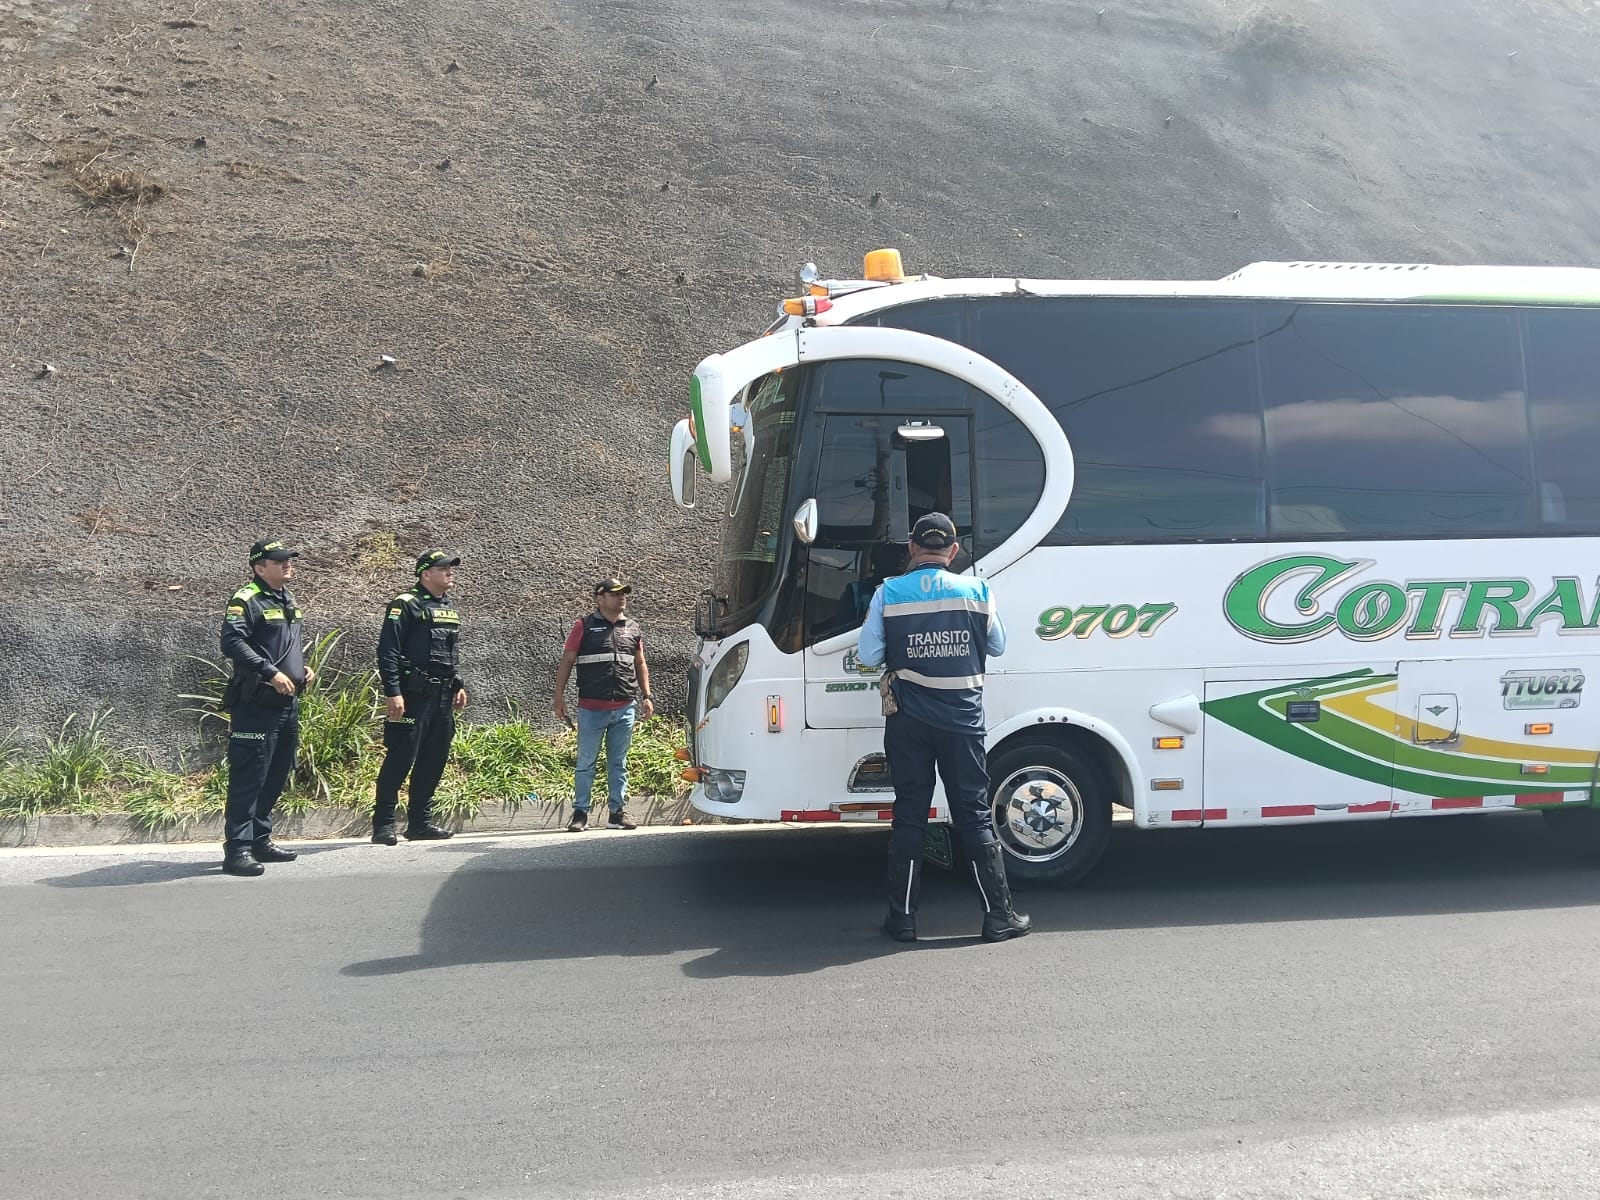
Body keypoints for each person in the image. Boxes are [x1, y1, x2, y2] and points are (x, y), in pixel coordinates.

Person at [857, 513, 1030, 943]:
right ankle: (998, 917)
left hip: (908, 723)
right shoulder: (977, 590)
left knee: (910, 814)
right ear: (953, 552)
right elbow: (998, 645)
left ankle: (903, 919)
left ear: (912, 548)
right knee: (972, 815)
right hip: (962, 723)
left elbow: (867, 654)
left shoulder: (889, 593)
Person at [219, 537, 314, 877]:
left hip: (287, 703)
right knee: (249, 775)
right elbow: (231, 642)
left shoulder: (286, 598)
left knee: (277, 771)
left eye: (289, 559)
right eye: (279, 561)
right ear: (260, 568)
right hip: (257, 702)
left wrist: (300, 668)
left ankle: (260, 839)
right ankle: (238, 850)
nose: (288, 564)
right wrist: (271, 672)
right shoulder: (247, 598)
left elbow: (283, 644)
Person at [373, 549, 468, 844]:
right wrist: (393, 692)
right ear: (425, 574)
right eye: (443, 568)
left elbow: (445, 654)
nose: (450, 572)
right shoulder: (406, 604)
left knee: (433, 759)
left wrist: (457, 684)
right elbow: (388, 650)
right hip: (412, 696)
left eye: (451, 567)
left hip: (442, 696)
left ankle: (420, 823)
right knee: (400, 757)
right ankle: (383, 825)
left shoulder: (448, 607)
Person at [553, 577, 655, 832]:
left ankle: (616, 812)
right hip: (591, 708)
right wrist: (558, 698)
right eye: (615, 594)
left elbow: (640, 663)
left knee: (618, 763)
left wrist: (647, 696)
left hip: (624, 707)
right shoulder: (583, 626)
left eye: (624, 594)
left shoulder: (632, 627)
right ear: (600, 598)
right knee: (586, 762)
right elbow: (567, 662)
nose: (621, 598)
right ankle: (580, 813)